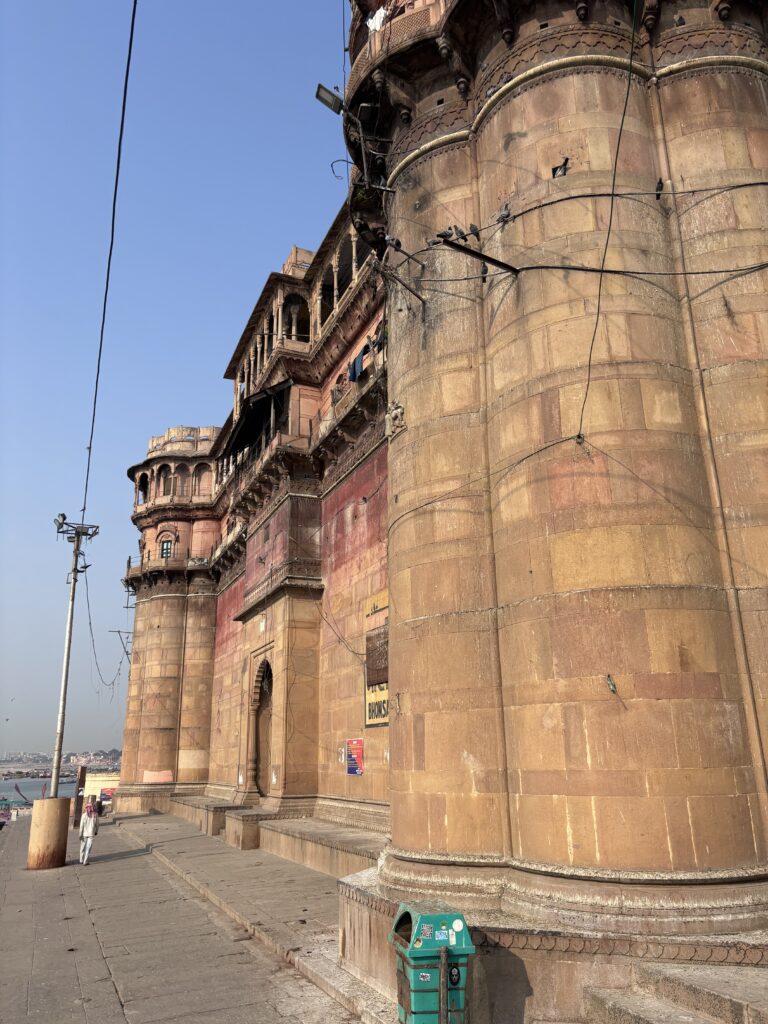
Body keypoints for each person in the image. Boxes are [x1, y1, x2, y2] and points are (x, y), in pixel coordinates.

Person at [78, 801, 99, 865]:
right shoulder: (95, 815)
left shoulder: (84, 815)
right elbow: (97, 825)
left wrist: (80, 834)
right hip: (91, 834)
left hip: (84, 834)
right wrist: (96, 831)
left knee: (82, 847)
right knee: (88, 848)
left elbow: (81, 826)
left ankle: (81, 860)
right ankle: (85, 861)